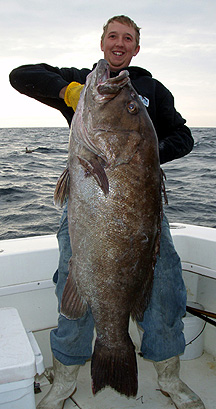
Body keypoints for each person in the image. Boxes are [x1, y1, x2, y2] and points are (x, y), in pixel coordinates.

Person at [9, 15, 205, 409]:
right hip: (84, 210)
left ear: (136, 48)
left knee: (165, 289)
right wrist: (68, 91)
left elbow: (184, 136)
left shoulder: (151, 89)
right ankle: (65, 378)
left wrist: (146, 156)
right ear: (102, 43)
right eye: (112, 36)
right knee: (73, 286)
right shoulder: (86, 84)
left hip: (143, 214)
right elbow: (20, 75)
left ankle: (169, 378)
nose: (119, 43)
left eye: (127, 38)